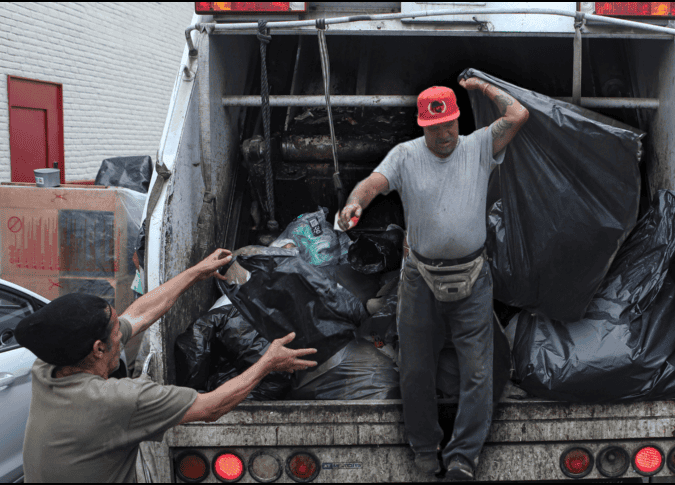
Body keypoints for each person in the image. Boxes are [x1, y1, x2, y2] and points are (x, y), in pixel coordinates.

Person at [338, 77, 528, 480]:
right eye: (436, 127)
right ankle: (425, 449)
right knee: (415, 368)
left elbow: (518, 114)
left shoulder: (478, 146)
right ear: (422, 125)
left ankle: (463, 458)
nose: (445, 134)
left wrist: (481, 86)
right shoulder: (405, 156)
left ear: (459, 121)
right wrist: (355, 202)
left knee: (477, 371)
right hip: (420, 280)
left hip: (473, 278)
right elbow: (373, 183)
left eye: (451, 125)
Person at [14, 248, 317, 483]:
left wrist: (196, 272)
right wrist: (267, 363)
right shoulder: (118, 401)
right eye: (116, 331)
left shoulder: (49, 366)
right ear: (98, 349)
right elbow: (211, 407)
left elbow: (140, 314)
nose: (123, 332)